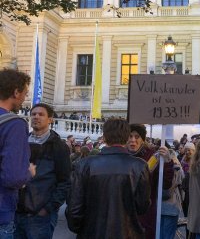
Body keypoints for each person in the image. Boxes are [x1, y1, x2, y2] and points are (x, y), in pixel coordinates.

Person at [66, 118, 151, 238]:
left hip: (92, 232)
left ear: (104, 137)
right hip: (127, 233)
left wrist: (81, 228)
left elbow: (74, 207)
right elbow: (142, 206)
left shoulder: (84, 164)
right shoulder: (139, 165)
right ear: (127, 138)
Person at [14, 103, 71, 239]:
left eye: (41, 114)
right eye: (33, 114)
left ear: (50, 119)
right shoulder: (21, 142)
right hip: (17, 212)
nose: (36, 117)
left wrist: (49, 207)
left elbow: (65, 181)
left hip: (41, 216)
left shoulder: (59, 147)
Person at [0, 69, 35, 239]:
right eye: (25, 93)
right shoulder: (14, 124)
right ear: (15, 92)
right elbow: (13, 177)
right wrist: (29, 173)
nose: (24, 98)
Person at [127, 124, 174, 239]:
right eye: (130, 136)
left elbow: (165, 183)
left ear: (142, 139)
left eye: (137, 136)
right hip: (124, 213)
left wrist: (167, 162)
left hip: (145, 214)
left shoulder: (152, 155)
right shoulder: (121, 155)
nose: (133, 140)